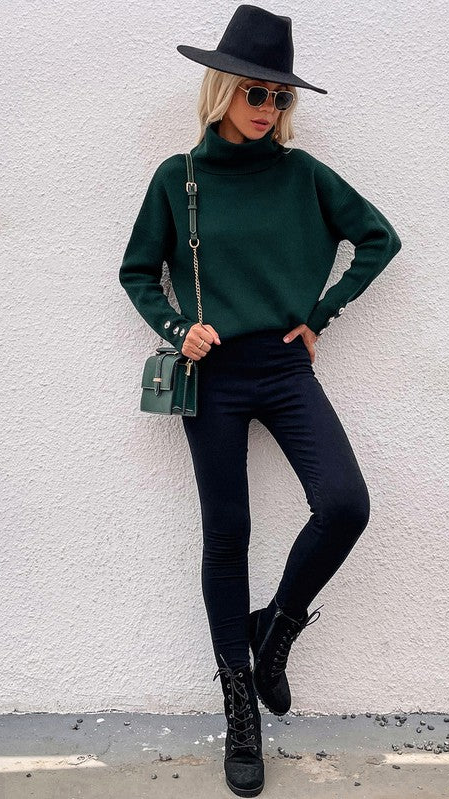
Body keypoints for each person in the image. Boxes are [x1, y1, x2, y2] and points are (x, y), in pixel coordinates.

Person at [119, 5, 402, 796]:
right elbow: (139, 271)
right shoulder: (178, 179)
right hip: (215, 376)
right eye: (254, 93)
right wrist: (180, 328)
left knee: (345, 502)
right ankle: (240, 705)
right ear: (221, 91)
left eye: (279, 97)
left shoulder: (305, 174)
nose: (267, 109)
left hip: (283, 368)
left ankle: (275, 627)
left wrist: (318, 315)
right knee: (227, 533)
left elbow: (378, 236)